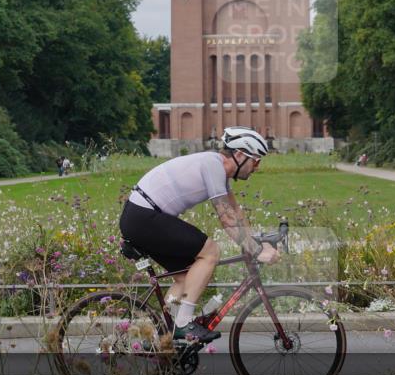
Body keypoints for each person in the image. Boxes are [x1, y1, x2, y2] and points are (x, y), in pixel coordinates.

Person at [119, 127, 280, 343]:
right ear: (240, 155)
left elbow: (235, 212)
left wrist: (255, 240)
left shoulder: (217, 170)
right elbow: (226, 219)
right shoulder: (213, 166)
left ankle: (163, 339)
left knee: (185, 277)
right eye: (256, 161)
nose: (257, 167)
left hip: (141, 217)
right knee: (210, 251)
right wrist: (257, 251)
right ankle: (183, 324)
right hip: (144, 216)